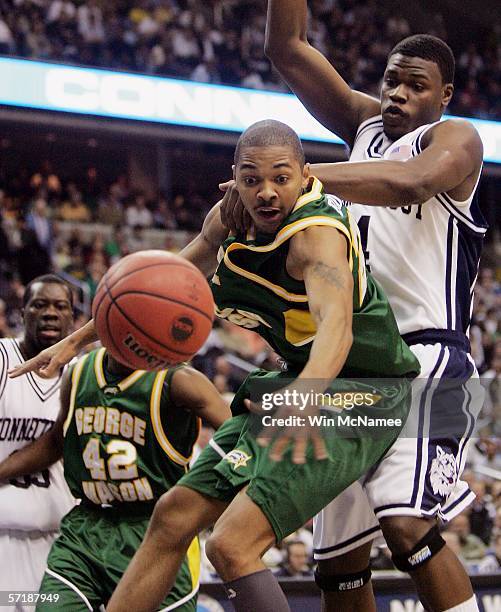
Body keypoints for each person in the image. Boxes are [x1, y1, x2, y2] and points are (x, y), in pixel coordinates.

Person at [10, 120, 419, 612]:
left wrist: (306, 396)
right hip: (296, 381)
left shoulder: (316, 238)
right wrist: (75, 341)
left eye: (281, 178)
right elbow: (154, 286)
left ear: (306, 176)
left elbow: (337, 328)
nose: (266, 192)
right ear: (234, 178)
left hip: (362, 391)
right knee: (173, 514)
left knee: (230, 544)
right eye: (252, 179)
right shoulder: (226, 221)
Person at [262, 3, 486, 611]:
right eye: (392, 80)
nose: (397, 94)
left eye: (417, 85)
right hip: (354, 366)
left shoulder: (457, 138)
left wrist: (300, 179)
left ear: (444, 94)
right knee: (338, 564)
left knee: (407, 525)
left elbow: (411, 182)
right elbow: (288, 48)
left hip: (425, 357)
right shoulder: (364, 127)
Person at [0, 346, 230, 611]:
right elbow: (56, 441)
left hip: (155, 530)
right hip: (86, 529)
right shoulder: (79, 373)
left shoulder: (179, 380)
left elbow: (242, 435)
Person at [0, 274, 75, 611]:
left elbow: (57, 443)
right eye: (39, 305)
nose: (50, 313)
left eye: (61, 306)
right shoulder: (3, 359)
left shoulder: (83, 374)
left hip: (57, 545)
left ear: (74, 317)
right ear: (22, 311)